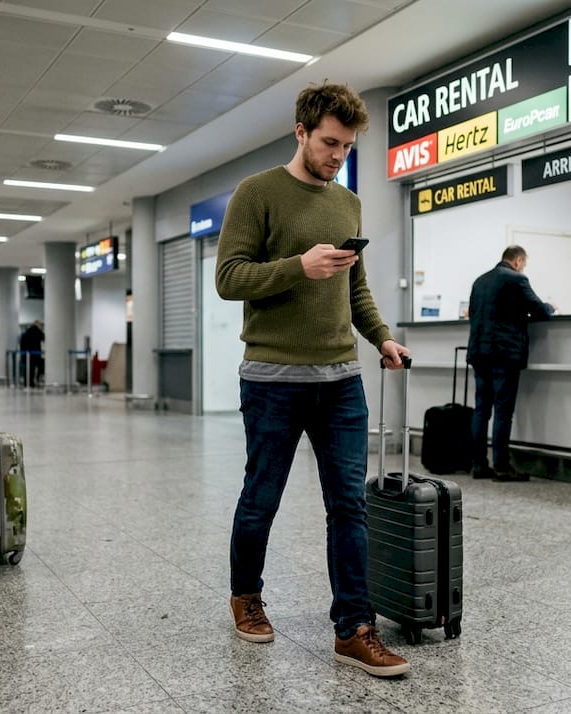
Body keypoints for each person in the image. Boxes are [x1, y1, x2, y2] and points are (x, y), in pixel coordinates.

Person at [215, 82, 411, 678]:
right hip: (273, 377)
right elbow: (228, 277)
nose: (337, 156)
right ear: (301, 132)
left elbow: (355, 288)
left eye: (347, 147)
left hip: (340, 379)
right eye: (329, 143)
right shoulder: (257, 194)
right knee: (262, 498)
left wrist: (380, 336)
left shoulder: (348, 203)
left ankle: (353, 627)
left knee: (349, 504)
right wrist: (298, 267)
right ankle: (245, 595)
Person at [467, 245, 555, 482]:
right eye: (523, 264)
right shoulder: (517, 280)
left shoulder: (480, 281)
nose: (523, 267)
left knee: (482, 409)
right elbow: (541, 311)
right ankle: (502, 466)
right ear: (517, 261)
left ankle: (478, 465)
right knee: (503, 412)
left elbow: (473, 313)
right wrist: (551, 307)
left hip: (479, 352)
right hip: (504, 355)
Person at [19, 321, 44, 387]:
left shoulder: (26, 333)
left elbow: (22, 344)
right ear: (38, 325)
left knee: (27, 369)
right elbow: (43, 337)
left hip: (26, 354)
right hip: (34, 354)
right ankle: (32, 382)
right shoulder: (37, 332)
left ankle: (26, 382)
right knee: (33, 369)